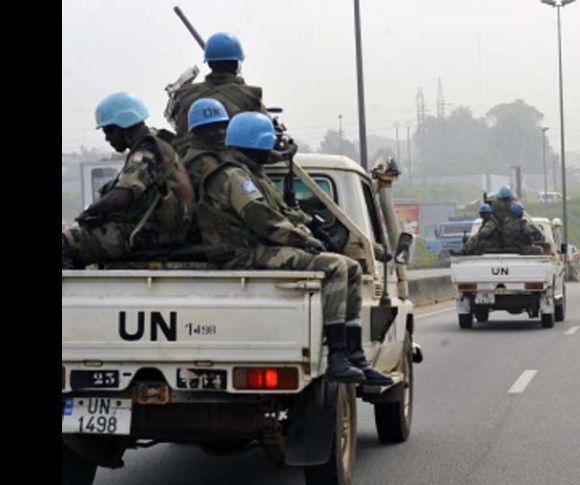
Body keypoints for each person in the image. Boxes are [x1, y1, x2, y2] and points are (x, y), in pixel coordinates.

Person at [196, 112, 392, 385]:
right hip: (244, 253)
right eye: (267, 147)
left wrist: (308, 224)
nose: (270, 153)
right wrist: (303, 240)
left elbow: (283, 211)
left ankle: (355, 356)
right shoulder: (234, 177)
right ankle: (338, 357)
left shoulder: (250, 173)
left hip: (258, 247)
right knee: (334, 266)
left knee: (351, 268)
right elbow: (261, 217)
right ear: (257, 147)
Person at [62, 92, 194, 268]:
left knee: (65, 244)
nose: (107, 138)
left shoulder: (146, 152)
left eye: (109, 130)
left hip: (148, 232)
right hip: (157, 227)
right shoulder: (157, 142)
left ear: (123, 124)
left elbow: (122, 195)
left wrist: (89, 212)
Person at [167, 32, 267, 155]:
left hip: (186, 163)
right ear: (237, 64)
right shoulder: (249, 97)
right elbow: (265, 133)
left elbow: (177, 125)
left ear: (209, 63)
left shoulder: (183, 94)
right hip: (229, 165)